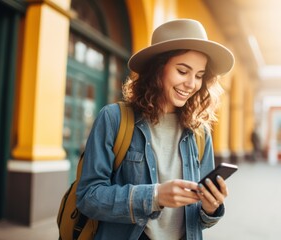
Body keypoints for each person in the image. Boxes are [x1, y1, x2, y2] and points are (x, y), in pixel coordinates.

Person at [76, 19, 235, 240]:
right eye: (182, 71)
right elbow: (88, 197)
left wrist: (211, 207)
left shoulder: (200, 132)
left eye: (199, 76)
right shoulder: (113, 119)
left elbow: (199, 220)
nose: (191, 84)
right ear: (157, 69)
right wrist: (155, 195)